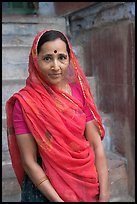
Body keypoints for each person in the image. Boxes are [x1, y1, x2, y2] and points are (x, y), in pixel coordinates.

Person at [6, 29, 109, 202]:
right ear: (35, 60)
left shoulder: (79, 93)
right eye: (47, 58)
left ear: (69, 59)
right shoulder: (26, 103)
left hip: (87, 184)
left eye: (61, 57)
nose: (56, 66)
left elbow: (95, 146)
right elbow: (29, 162)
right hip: (48, 191)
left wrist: (104, 195)